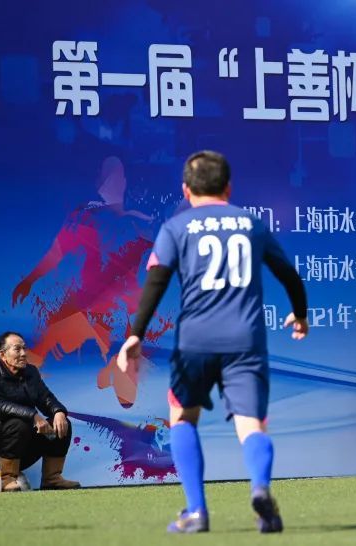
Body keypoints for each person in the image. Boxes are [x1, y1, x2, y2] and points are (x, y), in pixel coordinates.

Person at [117, 150, 308, 534]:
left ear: (186, 190)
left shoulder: (176, 227)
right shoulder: (250, 223)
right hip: (245, 341)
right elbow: (288, 273)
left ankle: (197, 511)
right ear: (228, 188)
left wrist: (135, 334)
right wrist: (300, 313)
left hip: (195, 341)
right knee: (252, 425)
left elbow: (157, 281)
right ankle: (260, 489)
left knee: (182, 418)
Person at [11, 156, 160, 409]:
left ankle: (119, 371)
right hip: (86, 303)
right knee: (48, 341)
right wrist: (30, 279)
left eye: (117, 177)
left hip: (120, 308)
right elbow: (56, 253)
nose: (112, 182)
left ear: (124, 182)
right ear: (98, 181)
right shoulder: (85, 217)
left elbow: (169, 249)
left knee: (128, 390)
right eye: (107, 176)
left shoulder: (138, 222)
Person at [0, 331, 80, 491]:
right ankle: (6, 479)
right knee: (18, 423)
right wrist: (33, 416)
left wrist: (58, 412)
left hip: (24, 446)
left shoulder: (31, 372)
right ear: (2, 354)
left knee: (62, 424)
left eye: (24, 348)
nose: (23, 353)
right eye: (17, 349)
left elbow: (45, 397)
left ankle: (52, 479)